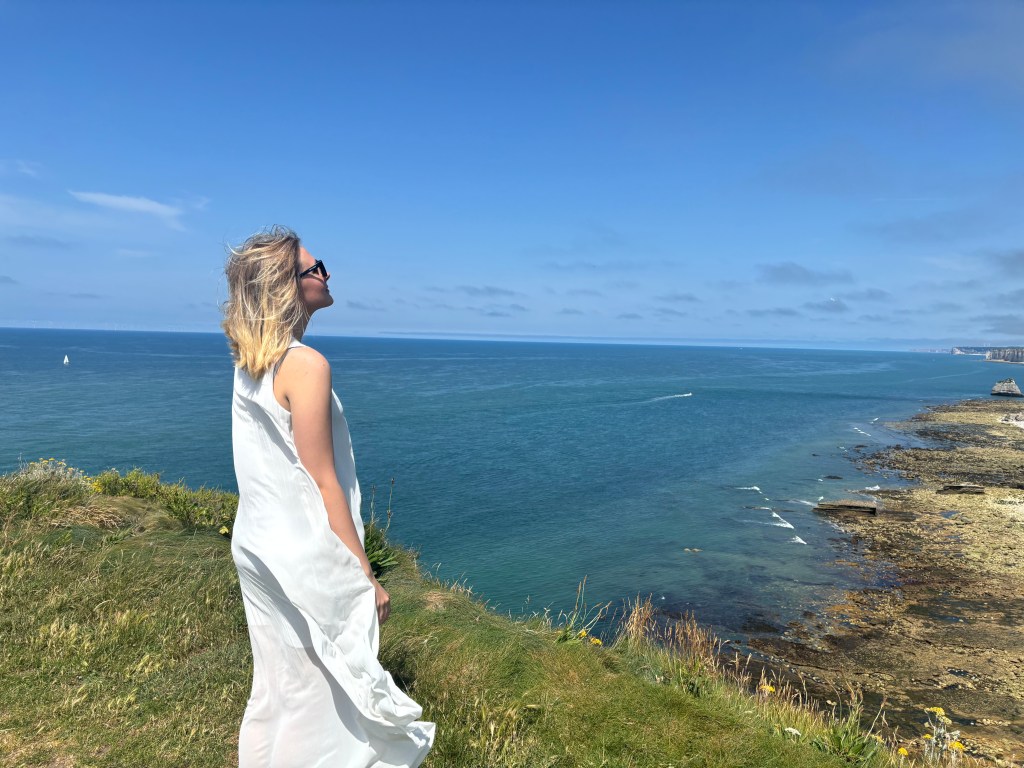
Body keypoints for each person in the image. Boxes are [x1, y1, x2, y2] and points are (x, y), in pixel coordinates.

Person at [221, 226, 434, 767]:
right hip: (304, 552)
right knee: (326, 699)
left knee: (281, 685)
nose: (327, 273)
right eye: (315, 268)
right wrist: (365, 573)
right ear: (286, 284)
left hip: (257, 544)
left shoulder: (252, 363)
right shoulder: (306, 365)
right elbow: (323, 480)